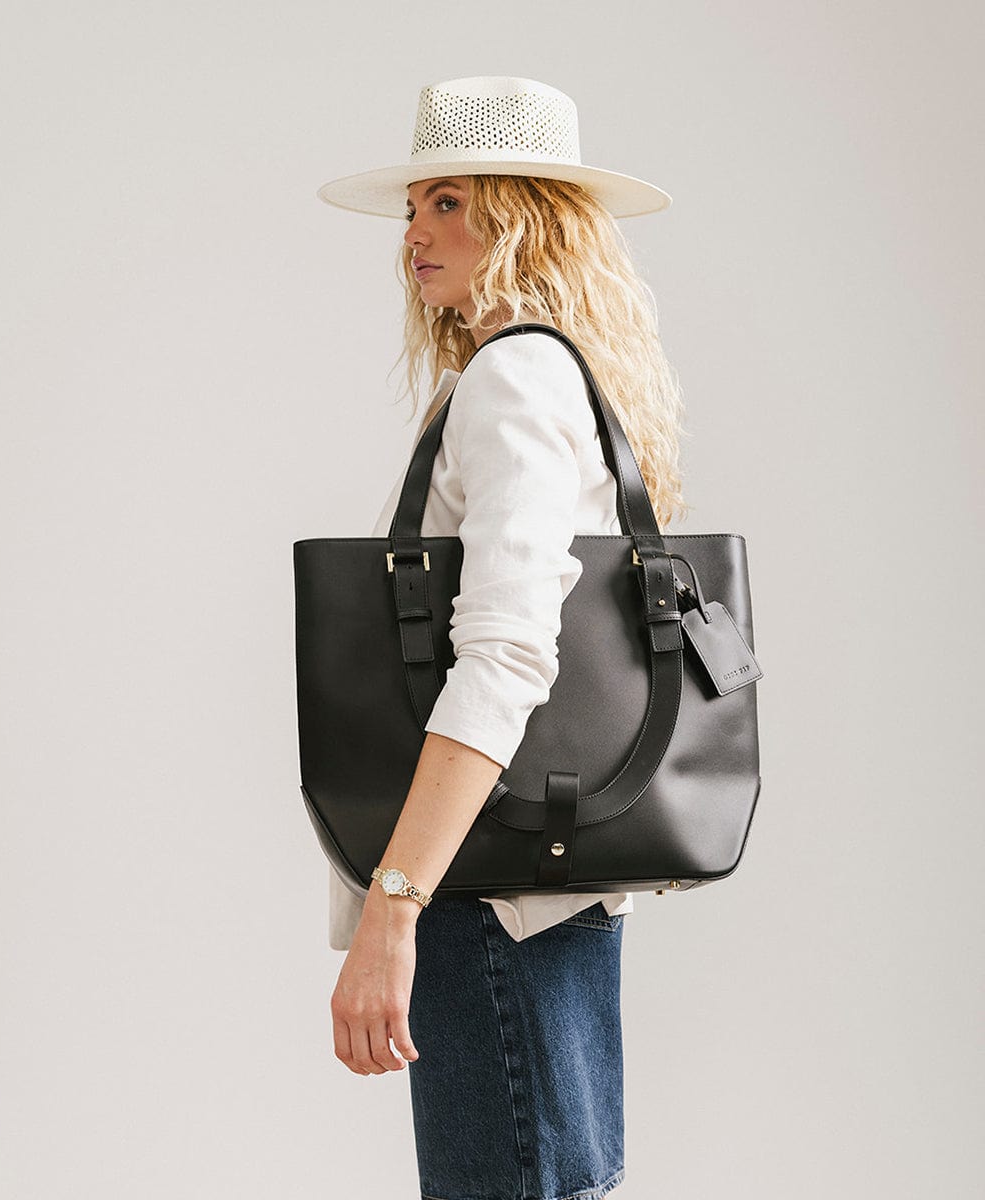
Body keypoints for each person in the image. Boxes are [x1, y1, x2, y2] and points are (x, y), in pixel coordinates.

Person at [315, 76, 688, 1200]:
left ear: (526, 217)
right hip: (542, 885)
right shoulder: (546, 371)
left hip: (486, 900)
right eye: (418, 205)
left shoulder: (515, 373)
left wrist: (395, 905)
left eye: (452, 205)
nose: (416, 235)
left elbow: (508, 651)